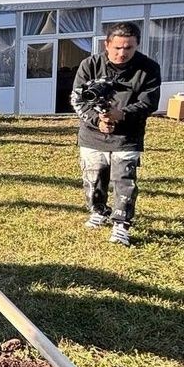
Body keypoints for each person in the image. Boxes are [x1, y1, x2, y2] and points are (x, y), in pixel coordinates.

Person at [71, 21, 161, 247]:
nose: (122, 53)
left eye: (129, 48)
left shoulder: (148, 68)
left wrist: (119, 115)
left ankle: (121, 224)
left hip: (127, 136)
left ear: (137, 45)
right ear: (107, 44)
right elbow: (77, 98)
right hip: (92, 135)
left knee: (124, 180)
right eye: (118, 47)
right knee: (93, 178)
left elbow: (148, 103)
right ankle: (99, 211)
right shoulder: (90, 65)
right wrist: (97, 121)